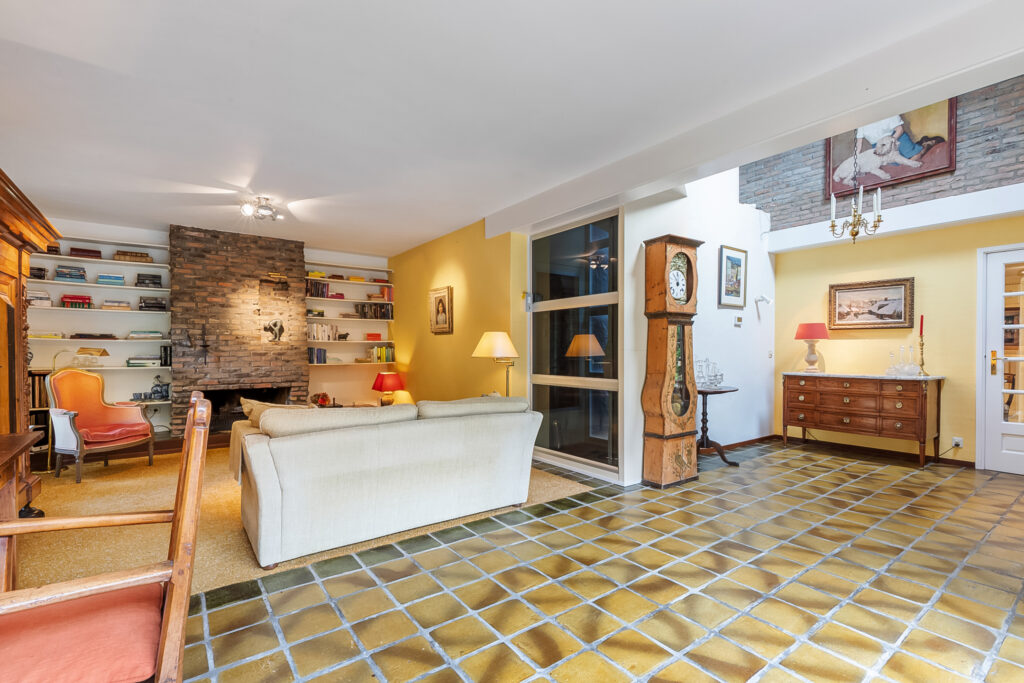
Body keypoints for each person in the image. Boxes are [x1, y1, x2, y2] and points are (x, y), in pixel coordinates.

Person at [855, 114, 939, 161]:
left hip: (897, 137)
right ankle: (920, 144)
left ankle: (926, 145)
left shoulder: (886, 113)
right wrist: (855, 158)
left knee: (915, 156)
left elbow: (900, 129)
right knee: (897, 162)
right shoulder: (861, 125)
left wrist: (890, 142)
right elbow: (859, 144)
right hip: (879, 146)